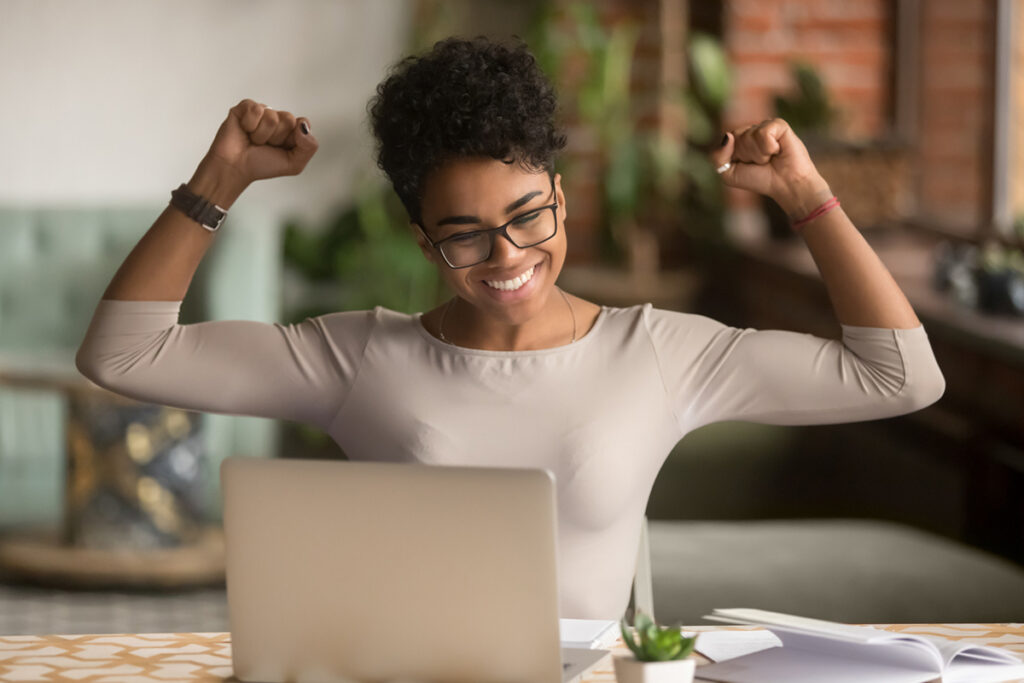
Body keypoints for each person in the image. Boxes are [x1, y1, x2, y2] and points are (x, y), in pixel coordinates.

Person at [76, 37, 945, 619]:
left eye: (530, 215)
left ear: (562, 198)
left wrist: (806, 197)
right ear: (423, 240)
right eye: (464, 234)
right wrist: (218, 179)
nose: (507, 254)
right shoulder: (358, 357)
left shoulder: (663, 353)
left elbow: (900, 377)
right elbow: (123, 352)